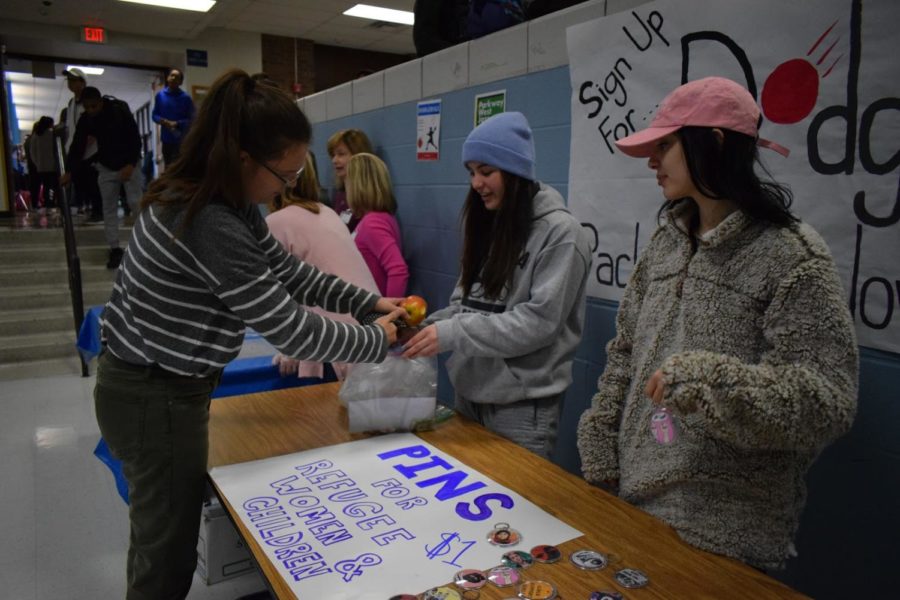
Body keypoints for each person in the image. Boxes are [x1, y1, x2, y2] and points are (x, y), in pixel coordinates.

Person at [92, 69, 407, 600]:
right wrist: (377, 338)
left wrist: (367, 301)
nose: (287, 187)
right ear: (243, 157)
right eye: (283, 176)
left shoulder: (222, 199)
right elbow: (290, 325)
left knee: (159, 540)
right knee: (165, 557)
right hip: (155, 396)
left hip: (161, 390)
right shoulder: (206, 218)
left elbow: (287, 273)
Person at [575, 77, 859, 570]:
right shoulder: (666, 243)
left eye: (665, 145)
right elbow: (626, 352)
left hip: (724, 528)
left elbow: (828, 400)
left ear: (716, 143)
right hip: (633, 497)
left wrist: (710, 383)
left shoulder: (790, 255)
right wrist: (601, 437)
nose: (651, 161)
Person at [403, 112, 591, 459]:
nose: (476, 183)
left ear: (516, 172)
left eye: (486, 172)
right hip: (468, 394)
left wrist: (450, 334)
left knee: (516, 508)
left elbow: (538, 324)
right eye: (472, 172)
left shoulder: (562, 234)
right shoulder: (488, 224)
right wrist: (418, 328)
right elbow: (464, 306)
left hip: (521, 407)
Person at [265, 152, 380, 380]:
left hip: (339, 333)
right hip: (370, 326)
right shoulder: (327, 212)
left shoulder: (278, 222)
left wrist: (292, 347)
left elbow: (273, 294)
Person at [61, 87, 143, 269]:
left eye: (94, 106)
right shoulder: (86, 119)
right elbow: (77, 146)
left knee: (135, 203)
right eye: (87, 107)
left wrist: (130, 164)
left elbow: (135, 138)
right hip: (106, 166)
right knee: (109, 208)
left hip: (129, 163)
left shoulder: (119, 110)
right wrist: (69, 171)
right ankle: (114, 248)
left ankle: (145, 243)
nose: (91, 110)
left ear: (101, 101)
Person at [345, 152, 409, 297]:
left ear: (357, 185)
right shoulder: (377, 218)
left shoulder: (373, 223)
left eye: (347, 181)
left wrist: (390, 312)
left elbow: (398, 270)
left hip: (374, 311)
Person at [59, 67, 102, 219]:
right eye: (69, 81)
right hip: (76, 148)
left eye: (74, 80)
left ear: (82, 83)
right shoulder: (71, 104)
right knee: (81, 181)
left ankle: (97, 211)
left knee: (93, 182)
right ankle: (85, 207)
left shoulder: (89, 102)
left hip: (91, 150)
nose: (70, 84)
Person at [327, 128, 374, 232]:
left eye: (341, 154)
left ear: (358, 157)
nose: (334, 160)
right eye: (333, 155)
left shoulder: (370, 198)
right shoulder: (341, 195)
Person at [151, 67, 195, 167]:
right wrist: (161, 120)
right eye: (172, 75)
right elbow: (154, 115)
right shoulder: (160, 96)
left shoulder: (186, 98)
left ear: (180, 82)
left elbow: (192, 119)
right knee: (168, 167)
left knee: (179, 168)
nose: (173, 78)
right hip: (166, 139)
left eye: (177, 77)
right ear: (167, 78)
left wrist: (177, 123)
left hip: (182, 140)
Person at [27, 116, 59, 211]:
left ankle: (44, 203)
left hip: (40, 166)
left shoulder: (35, 136)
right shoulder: (52, 134)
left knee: (44, 185)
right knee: (51, 186)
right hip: (52, 166)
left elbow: (32, 152)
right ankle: (50, 202)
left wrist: (37, 163)